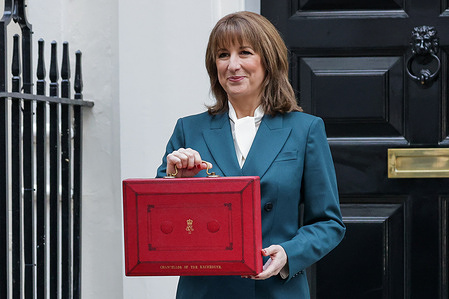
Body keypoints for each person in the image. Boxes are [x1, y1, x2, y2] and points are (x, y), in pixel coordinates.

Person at [156, 11, 345, 299]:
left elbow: (328, 222)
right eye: (222, 55)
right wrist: (175, 181)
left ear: (268, 61)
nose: (233, 65)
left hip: (277, 290)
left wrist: (288, 253)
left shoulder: (305, 129)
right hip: (206, 291)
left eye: (244, 52)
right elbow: (158, 224)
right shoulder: (189, 129)